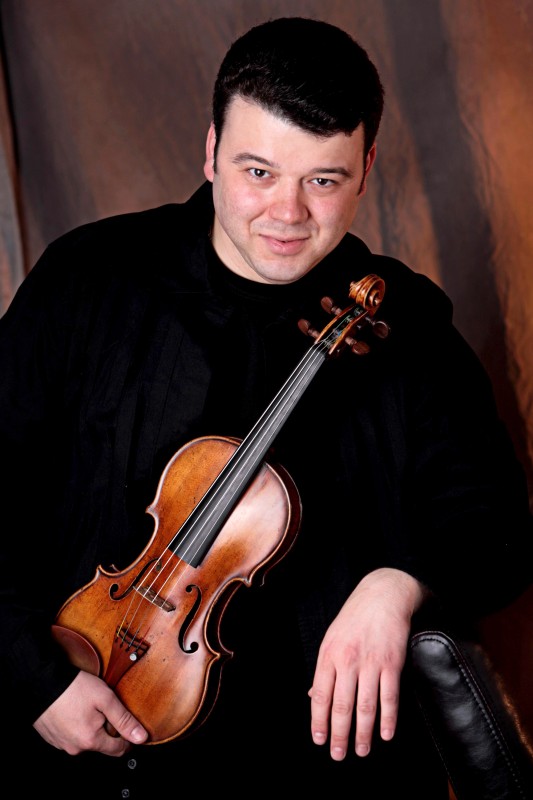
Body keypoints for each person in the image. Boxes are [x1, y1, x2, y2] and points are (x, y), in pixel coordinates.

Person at [0, 16, 531, 799]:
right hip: (83, 760)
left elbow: (497, 532)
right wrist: (34, 680)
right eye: (258, 171)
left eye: (323, 180)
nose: (287, 213)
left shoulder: (407, 327)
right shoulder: (90, 280)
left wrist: (400, 583)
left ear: (365, 168)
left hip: (316, 775)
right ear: (211, 149)